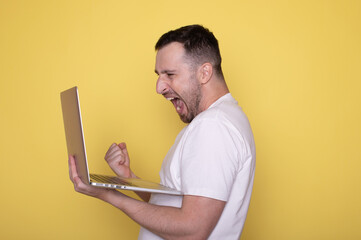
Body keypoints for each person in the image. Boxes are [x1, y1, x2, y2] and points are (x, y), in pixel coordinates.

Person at [69, 24, 256, 239]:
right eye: (159, 75)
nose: (159, 87)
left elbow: (192, 230)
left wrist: (109, 194)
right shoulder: (220, 120)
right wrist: (128, 178)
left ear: (204, 73)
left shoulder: (213, 126)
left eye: (170, 74)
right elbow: (174, 207)